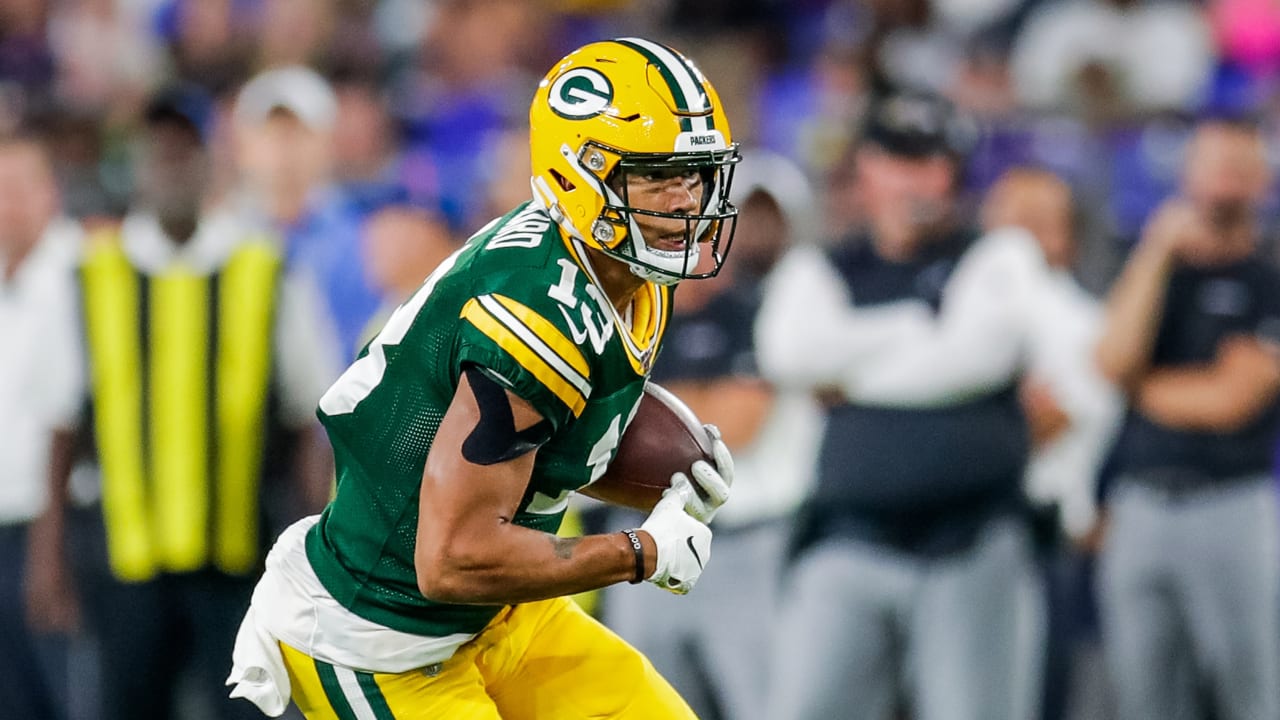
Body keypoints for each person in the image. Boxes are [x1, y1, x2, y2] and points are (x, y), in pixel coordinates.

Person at [227, 38, 739, 719]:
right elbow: (451, 561)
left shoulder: (623, 266)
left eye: (696, 174)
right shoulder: (536, 315)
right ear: (577, 177)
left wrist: (666, 484)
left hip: (500, 615)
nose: (684, 202)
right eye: (656, 176)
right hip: (385, 637)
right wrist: (640, 551)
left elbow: (544, 453)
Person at [27, 85, 341, 720]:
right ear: (137, 165)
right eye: (157, 152)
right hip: (124, 556)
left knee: (249, 708)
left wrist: (316, 551)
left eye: (183, 152)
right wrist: (49, 553)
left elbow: (310, 420)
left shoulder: (268, 269)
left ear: (209, 164)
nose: (170, 167)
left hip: (242, 554)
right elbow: (61, 428)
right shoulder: (93, 274)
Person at [758, 90, 1048, 720]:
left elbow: (978, 358)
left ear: (957, 174)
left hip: (970, 543)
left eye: (934, 160)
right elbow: (788, 354)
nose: (918, 178)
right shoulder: (821, 265)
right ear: (866, 167)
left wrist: (850, 369)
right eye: (900, 158)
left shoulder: (999, 253)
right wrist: (917, 326)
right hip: (847, 540)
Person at [601, 150, 822, 720]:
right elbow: (603, 425)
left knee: (763, 706)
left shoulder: (772, 305)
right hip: (639, 538)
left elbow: (730, 430)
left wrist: (649, 408)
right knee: (645, 707)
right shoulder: (629, 304)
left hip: (743, 541)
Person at [1094, 117, 1280, 720]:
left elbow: (1229, 402)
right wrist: (1155, 250)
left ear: (1262, 181)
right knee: (1143, 697)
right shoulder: (1151, 269)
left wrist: (1136, 386)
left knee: (1251, 691)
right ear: (1185, 175)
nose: (1224, 182)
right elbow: (1110, 360)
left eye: (1238, 167)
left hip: (1232, 505)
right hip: (1141, 505)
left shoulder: (1268, 279)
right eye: (1212, 165)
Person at [0, 131, 82, 720]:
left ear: (51, 193)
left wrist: (51, 553)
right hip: (4, 519)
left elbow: (70, 418)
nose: (7, 204)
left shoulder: (83, 275)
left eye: (18, 189)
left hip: (56, 523)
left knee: (70, 691)